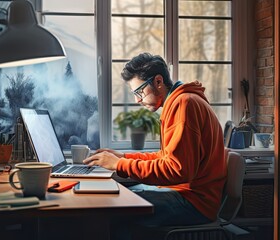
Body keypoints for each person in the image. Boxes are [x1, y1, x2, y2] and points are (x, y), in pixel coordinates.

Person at [83, 52, 227, 238]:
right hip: (189, 196)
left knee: (114, 206)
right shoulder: (180, 101)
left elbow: (177, 170)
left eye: (139, 91)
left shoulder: (183, 104)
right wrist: (123, 157)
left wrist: (119, 165)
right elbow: (166, 157)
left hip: (194, 203)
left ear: (158, 81)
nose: (137, 100)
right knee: (119, 197)